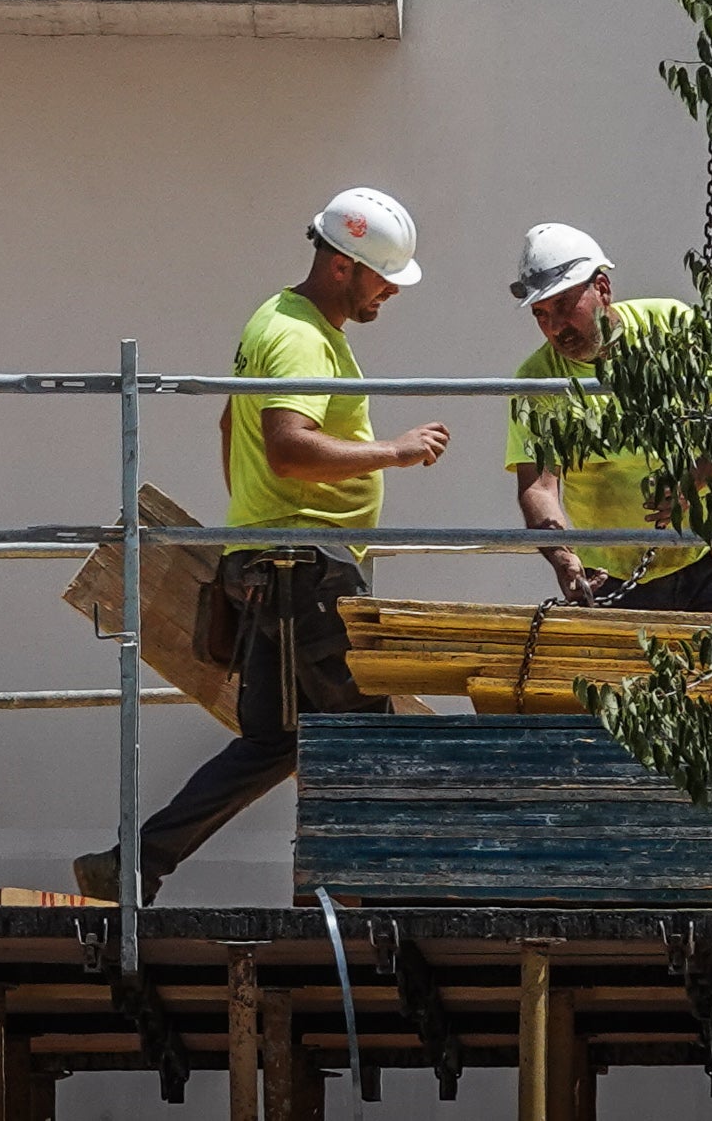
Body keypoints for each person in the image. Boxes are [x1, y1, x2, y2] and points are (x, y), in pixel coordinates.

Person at [74, 186, 452, 904]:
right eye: (382, 277)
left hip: (273, 562)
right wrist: (395, 452)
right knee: (362, 736)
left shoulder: (274, 323)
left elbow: (230, 427)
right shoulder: (302, 335)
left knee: (275, 741)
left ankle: (133, 865)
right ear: (342, 265)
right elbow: (286, 446)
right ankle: (338, 902)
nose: (389, 293)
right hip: (307, 569)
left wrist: (252, 522)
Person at [503, 223, 712, 612]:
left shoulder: (672, 327)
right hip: (611, 572)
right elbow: (538, 487)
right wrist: (564, 558)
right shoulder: (538, 380)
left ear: (601, 289)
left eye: (565, 306)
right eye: (540, 314)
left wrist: (696, 476)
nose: (555, 327)